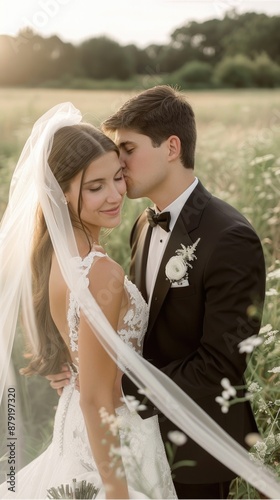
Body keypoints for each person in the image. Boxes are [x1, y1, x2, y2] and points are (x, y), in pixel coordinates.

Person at [47, 87, 269, 499]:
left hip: (198, 449)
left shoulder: (230, 237)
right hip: (133, 442)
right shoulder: (142, 224)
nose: (119, 162)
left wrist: (115, 387)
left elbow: (220, 365)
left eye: (127, 148)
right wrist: (77, 363)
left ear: (171, 147)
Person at [0, 103, 177, 499]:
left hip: (76, 427)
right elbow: (98, 397)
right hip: (114, 437)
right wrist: (116, 489)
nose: (115, 195)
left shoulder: (52, 257)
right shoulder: (101, 273)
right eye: (95, 187)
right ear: (60, 192)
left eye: (117, 178)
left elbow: (81, 354)